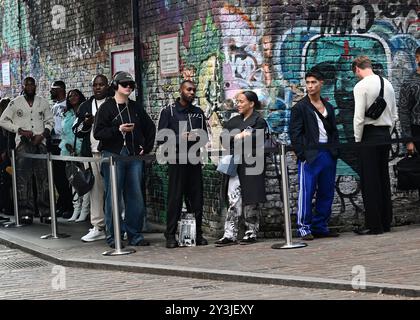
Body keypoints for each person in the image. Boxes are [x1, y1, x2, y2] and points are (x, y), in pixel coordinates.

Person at [94, 71, 155, 248]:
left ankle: (135, 234)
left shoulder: (135, 107)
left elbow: (150, 127)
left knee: (135, 195)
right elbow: (98, 133)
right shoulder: (106, 108)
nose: (128, 87)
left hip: (133, 155)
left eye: (131, 85)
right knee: (113, 196)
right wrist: (117, 129)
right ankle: (114, 236)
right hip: (113, 155)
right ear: (115, 86)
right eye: (124, 84)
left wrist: (146, 147)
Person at [157, 80, 209, 248]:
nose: (192, 92)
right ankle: (170, 235)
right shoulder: (169, 112)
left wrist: (197, 137)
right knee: (175, 198)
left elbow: (205, 136)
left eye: (194, 90)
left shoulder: (198, 112)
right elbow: (161, 138)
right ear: (181, 91)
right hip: (176, 159)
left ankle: (197, 234)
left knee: (196, 198)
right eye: (188, 89)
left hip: (193, 160)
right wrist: (179, 138)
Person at [289, 70, 339, 241]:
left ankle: (320, 226)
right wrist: (302, 154)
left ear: (321, 83)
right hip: (310, 155)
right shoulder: (300, 108)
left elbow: (333, 131)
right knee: (306, 192)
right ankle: (304, 228)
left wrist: (335, 151)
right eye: (308, 82)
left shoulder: (329, 107)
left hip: (328, 153)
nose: (310, 86)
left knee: (327, 191)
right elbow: (294, 133)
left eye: (313, 82)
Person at [352, 56, 398, 235]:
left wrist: (358, 140)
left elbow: (359, 118)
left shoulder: (361, 86)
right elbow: (394, 116)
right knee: (383, 178)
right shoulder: (387, 83)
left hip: (368, 136)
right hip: (385, 134)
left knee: (369, 181)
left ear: (357, 68)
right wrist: (387, 130)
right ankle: (386, 222)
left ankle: (374, 225)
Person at [214, 91, 267, 246]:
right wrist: (238, 136)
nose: (238, 104)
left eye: (241, 101)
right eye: (237, 101)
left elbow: (256, 140)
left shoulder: (259, 120)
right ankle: (229, 234)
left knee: (251, 199)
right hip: (235, 164)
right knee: (233, 199)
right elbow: (223, 140)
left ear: (251, 104)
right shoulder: (234, 120)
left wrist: (240, 138)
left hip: (252, 163)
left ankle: (251, 232)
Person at [0, 77, 54, 224]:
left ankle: (46, 212)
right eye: (27, 84)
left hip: (40, 143)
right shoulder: (15, 102)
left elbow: (50, 121)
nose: (30, 86)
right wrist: (19, 130)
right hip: (23, 144)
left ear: (35, 86)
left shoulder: (42, 102)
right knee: (23, 180)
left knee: (44, 179)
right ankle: (26, 212)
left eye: (32, 84)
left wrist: (43, 134)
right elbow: (3, 120)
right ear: (23, 86)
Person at [73, 75, 109, 242]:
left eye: (101, 85)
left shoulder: (114, 103)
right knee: (96, 191)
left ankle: (118, 224)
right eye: (95, 85)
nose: (98, 88)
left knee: (116, 190)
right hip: (93, 153)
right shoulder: (86, 105)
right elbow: (76, 130)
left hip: (111, 153)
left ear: (107, 86)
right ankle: (98, 226)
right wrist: (87, 124)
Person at [59, 89, 90, 222]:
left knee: (86, 181)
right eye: (70, 96)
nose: (73, 97)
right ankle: (76, 208)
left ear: (80, 96)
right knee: (74, 180)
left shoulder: (85, 111)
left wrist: (78, 148)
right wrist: (68, 145)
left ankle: (85, 210)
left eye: (76, 95)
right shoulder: (67, 113)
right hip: (69, 150)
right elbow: (64, 133)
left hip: (83, 150)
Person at [398, 47, 420, 200]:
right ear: (417, 58)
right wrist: (408, 140)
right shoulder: (410, 82)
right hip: (417, 130)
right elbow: (404, 111)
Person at [50, 80, 73, 218]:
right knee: (58, 177)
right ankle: (63, 203)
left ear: (59, 89)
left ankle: (69, 205)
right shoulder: (54, 106)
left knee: (66, 176)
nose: (51, 92)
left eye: (53, 89)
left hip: (64, 143)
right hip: (54, 143)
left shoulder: (68, 105)